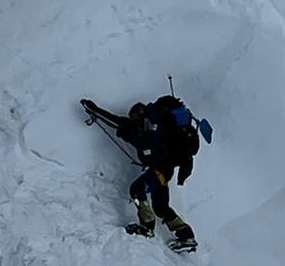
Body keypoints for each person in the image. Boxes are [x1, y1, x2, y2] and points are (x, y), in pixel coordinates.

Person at [81, 94, 211, 252]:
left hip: (160, 170)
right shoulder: (150, 130)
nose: (134, 120)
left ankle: (147, 227)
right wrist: (95, 110)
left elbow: (135, 136)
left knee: (137, 190)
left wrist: (126, 132)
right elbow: (115, 120)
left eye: (135, 116)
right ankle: (186, 235)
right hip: (163, 172)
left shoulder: (153, 134)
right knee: (161, 206)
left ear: (142, 114)